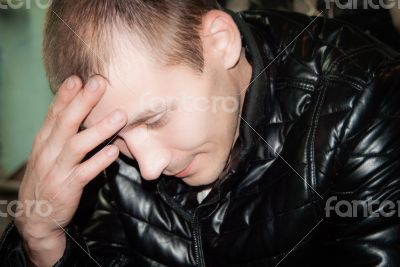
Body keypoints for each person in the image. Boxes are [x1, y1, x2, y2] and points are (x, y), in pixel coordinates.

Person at [1, 0, 400, 266]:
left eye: (155, 119)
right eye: (115, 137)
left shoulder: (364, 102)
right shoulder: (114, 151)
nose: (149, 166)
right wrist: (41, 240)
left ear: (220, 43)